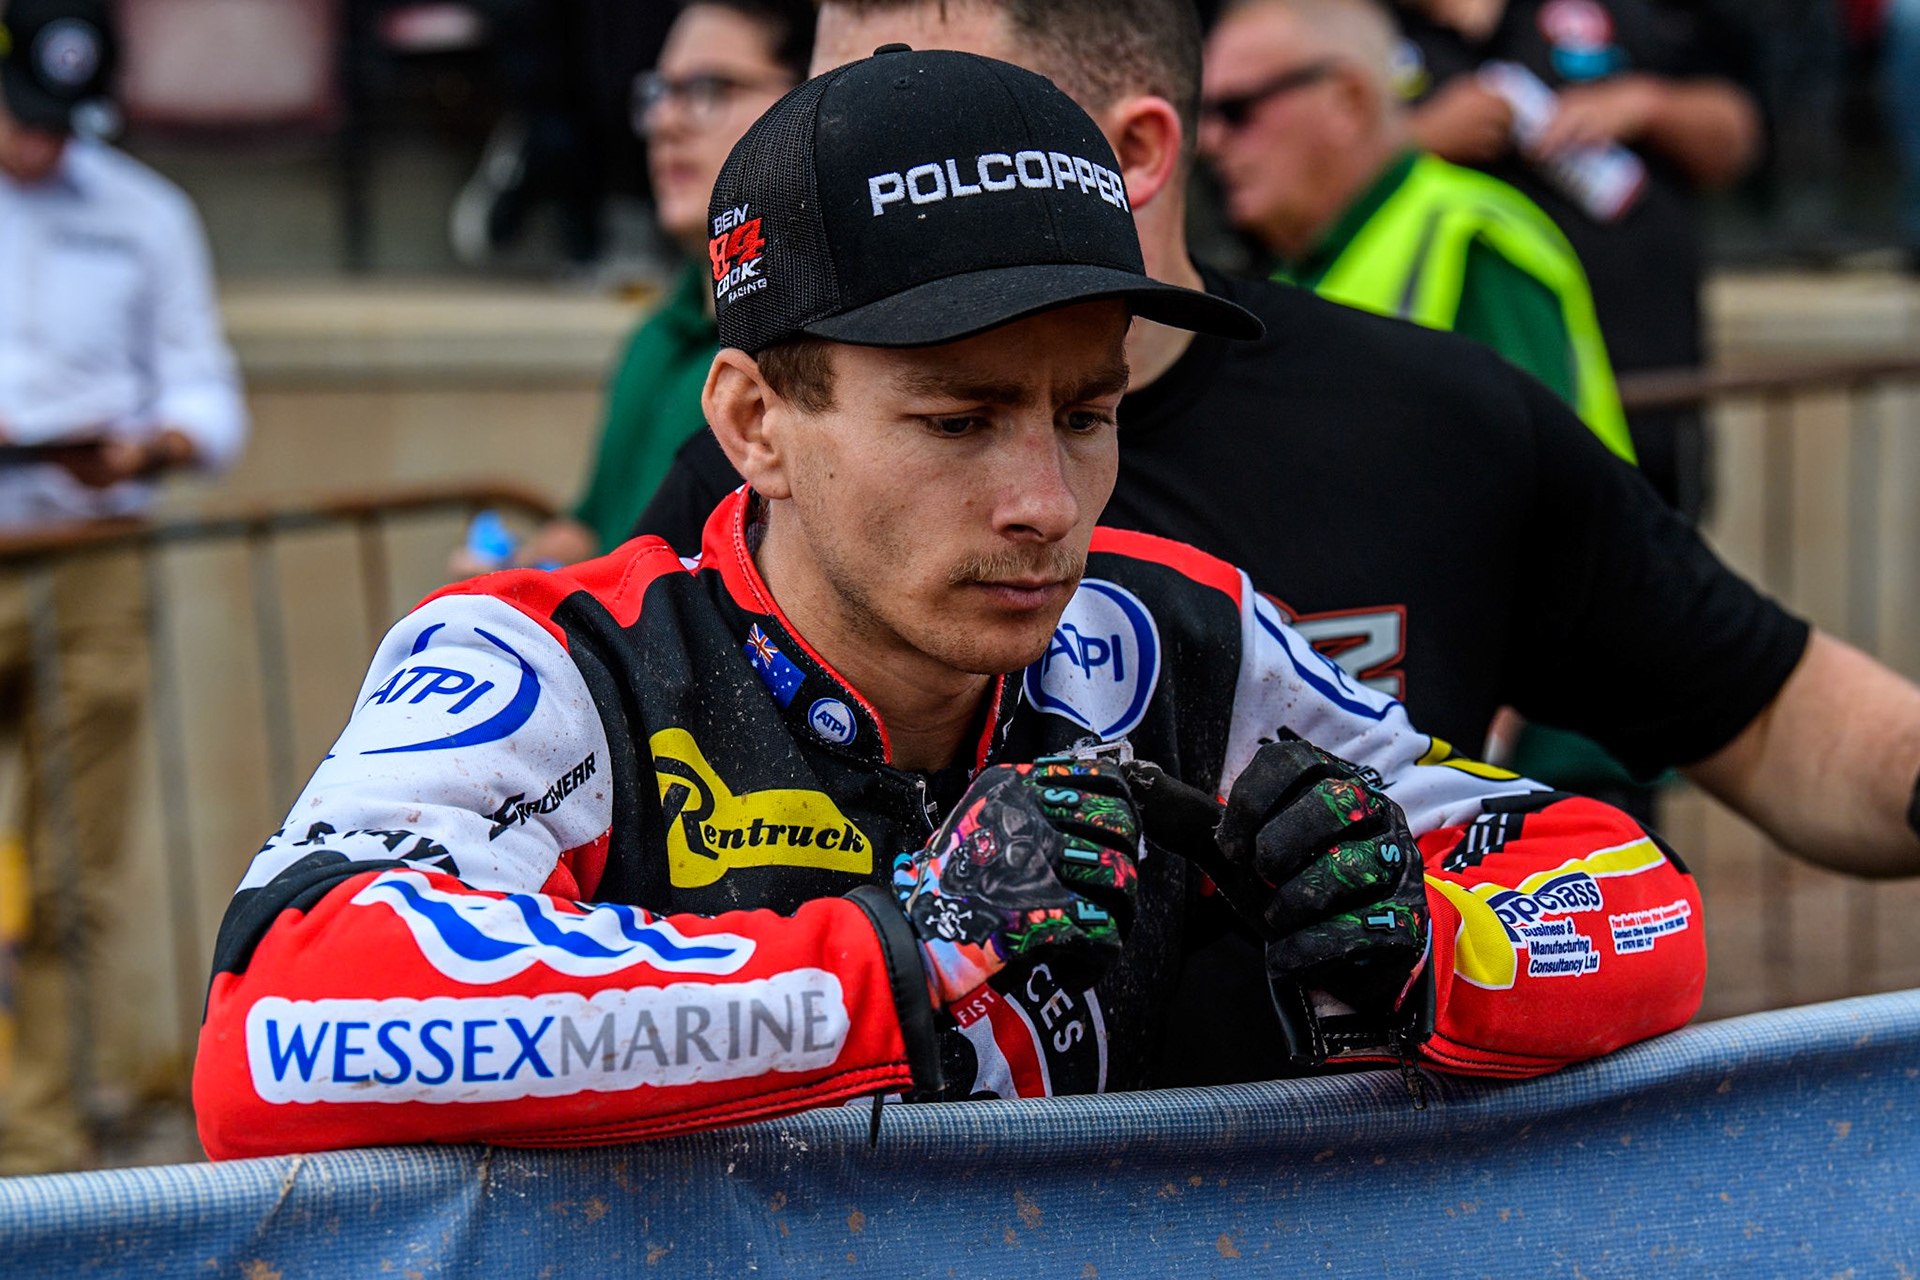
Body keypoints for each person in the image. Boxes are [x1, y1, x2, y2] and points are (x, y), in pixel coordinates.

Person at [191, 49, 1704, 1159]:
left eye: (1087, 412)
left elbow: (1629, 899)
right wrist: (900, 955)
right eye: (956, 422)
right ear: (752, 423)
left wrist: (1427, 947)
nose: (1045, 500)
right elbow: (281, 1029)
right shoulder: (555, 664)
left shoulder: (1179, 641)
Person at [636, 0, 1920, 890]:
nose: (1040, 502)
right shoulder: (764, 483)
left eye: (935, 110)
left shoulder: (1433, 420)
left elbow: (1777, 718)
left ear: (1135, 154)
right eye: (835, 110)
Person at [0, 0, 247, 1171]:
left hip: (86, 557)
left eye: (61, 122)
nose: (42, 145)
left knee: (68, 875)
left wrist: (146, 449)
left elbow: (209, 396)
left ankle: (36, 1146)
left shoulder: (144, 212)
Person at [454, 0, 811, 574]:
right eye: (657, 93)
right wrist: (515, 581)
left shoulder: (813, 346)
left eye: (709, 88)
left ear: (807, 101)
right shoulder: (656, 334)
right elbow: (594, 525)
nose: (665, 121)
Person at [1199, 0, 1632, 461]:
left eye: (1236, 110)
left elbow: (1541, 491)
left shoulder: (1469, 236)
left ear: (1347, 100)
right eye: (1203, 114)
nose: (1209, 140)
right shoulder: (1303, 263)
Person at [1392, 0, 1761, 520]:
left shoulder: (1619, 16)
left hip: (1643, 410)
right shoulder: (1352, 33)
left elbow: (1737, 137)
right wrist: (1422, 138)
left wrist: (1648, 105)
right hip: (1450, 433)